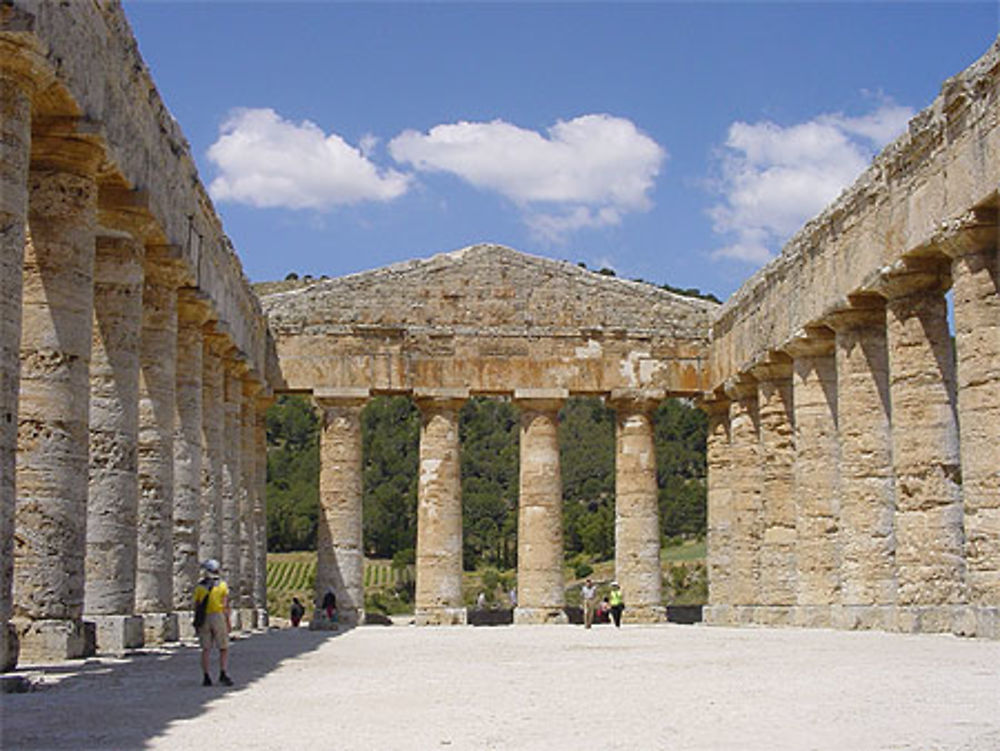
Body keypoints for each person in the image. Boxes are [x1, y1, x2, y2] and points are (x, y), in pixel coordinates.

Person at [193, 559, 232, 686]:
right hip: (218, 616)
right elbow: (225, 606)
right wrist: (228, 622)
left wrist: (196, 623)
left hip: (204, 618)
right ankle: (223, 673)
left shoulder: (200, 587)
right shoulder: (222, 586)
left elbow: (197, 606)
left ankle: (206, 676)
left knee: (206, 649)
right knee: (223, 647)